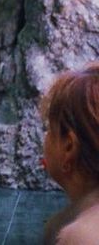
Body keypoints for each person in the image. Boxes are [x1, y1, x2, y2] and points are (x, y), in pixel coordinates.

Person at [42, 63, 99, 244]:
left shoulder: (80, 237)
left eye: (49, 128)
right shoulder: (65, 223)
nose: (45, 137)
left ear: (69, 147)